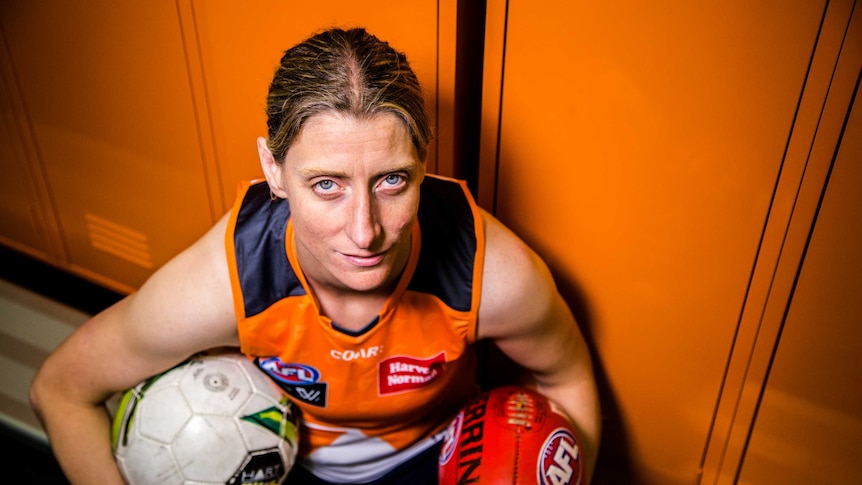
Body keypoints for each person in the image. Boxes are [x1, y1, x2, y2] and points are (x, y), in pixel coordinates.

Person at [30, 27, 601, 484]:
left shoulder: (491, 274)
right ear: (273, 171)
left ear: (426, 162)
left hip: (437, 456)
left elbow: (566, 376)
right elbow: (60, 390)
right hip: (281, 460)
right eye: (327, 184)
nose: (364, 231)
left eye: (392, 181)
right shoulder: (226, 281)